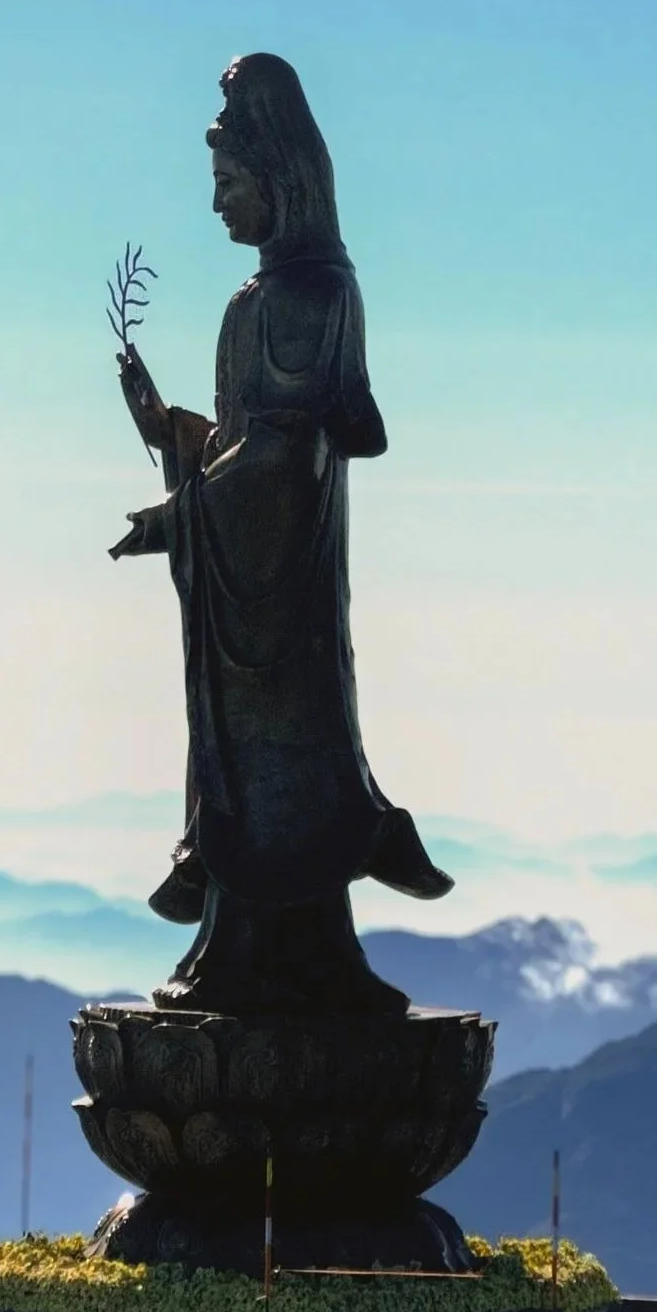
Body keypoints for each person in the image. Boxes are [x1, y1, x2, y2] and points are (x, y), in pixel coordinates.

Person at [111, 54, 452, 1010]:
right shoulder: (261, 300)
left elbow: (278, 456)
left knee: (286, 747)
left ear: (282, 181)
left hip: (281, 581)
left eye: (229, 183)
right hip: (253, 578)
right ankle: (233, 904)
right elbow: (238, 442)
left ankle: (289, 930)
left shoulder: (307, 297)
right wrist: (167, 431)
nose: (218, 204)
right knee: (245, 743)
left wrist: (176, 517)